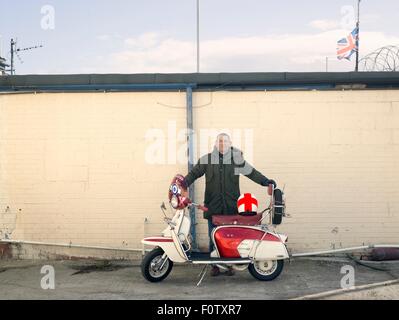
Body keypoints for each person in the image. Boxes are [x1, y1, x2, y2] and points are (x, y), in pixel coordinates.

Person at [184, 133, 276, 276]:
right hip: (213, 207)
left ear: (230, 143)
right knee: (213, 236)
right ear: (215, 143)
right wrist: (183, 183)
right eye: (220, 141)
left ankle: (230, 265)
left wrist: (265, 181)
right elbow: (194, 174)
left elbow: (251, 172)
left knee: (230, 238)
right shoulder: (207, 160)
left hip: (231, 207)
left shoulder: (236, 160)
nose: (222, 144)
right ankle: (215, 265)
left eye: (225, 141)